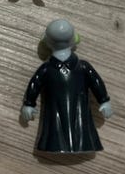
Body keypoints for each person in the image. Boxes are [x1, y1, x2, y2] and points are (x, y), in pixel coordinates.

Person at [21, 19, 113, 153]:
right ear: (75, 39)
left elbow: (96, 82)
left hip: (79, 110)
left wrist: (104, 100)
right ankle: (56, 145)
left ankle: (79, 145)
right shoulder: (48, 69)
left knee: (79, 126)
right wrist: (29, 103)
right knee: (56, 129)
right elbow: (35, 84)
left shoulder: (81, 67)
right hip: (55, 111)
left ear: (46, 41)